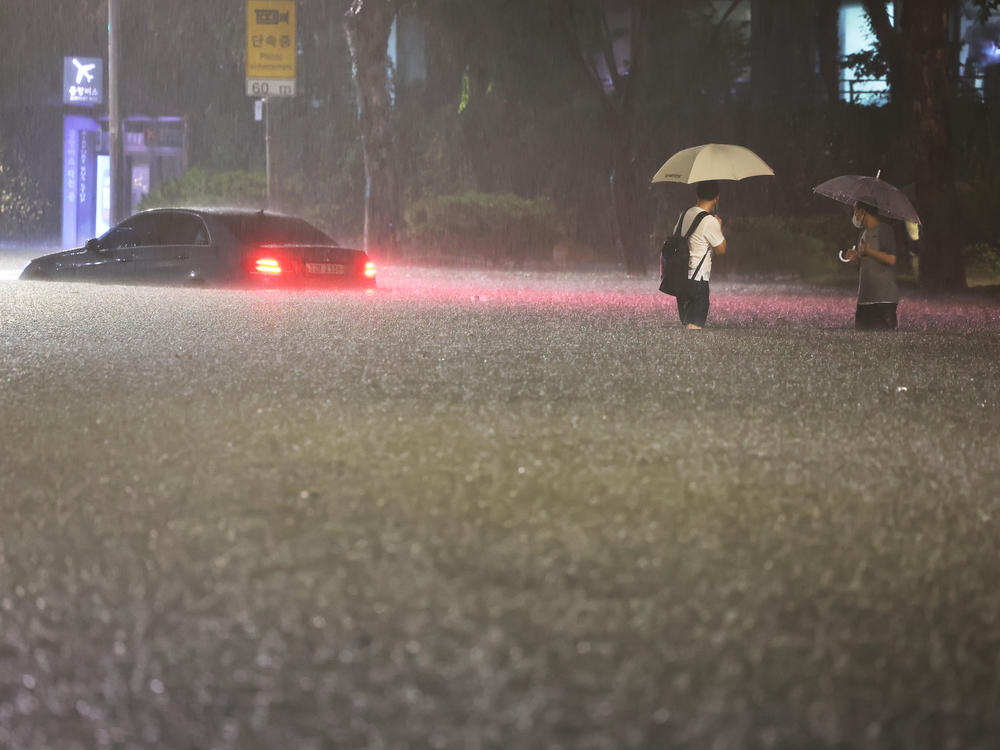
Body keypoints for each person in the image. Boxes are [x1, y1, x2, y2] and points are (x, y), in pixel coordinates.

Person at [674, 180, 726, 329]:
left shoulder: (684, 214)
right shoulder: (710, 221)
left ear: (697, 194)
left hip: (681, 277)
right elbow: (721, 249)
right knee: (695, 327)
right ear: (717, 198)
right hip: (698, 279)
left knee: (686, 325)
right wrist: (719, 227)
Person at [840, 201, 899, 330]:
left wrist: (869, 251)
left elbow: (891, 259)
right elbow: (864, 264)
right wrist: (856, 257)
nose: (854, 215)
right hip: (865, 299)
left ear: (863, 212)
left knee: (885, 342)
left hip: (884, 299)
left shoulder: (885, 230)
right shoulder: (863, 234)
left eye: (855, 211)